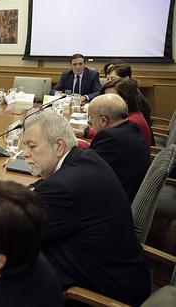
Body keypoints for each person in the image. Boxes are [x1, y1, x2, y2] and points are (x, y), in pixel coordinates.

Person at [22, 112, 150, 306]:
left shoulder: (63, 187)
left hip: (105, 291)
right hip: (124, 272)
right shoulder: (85, 157)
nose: (25, 153)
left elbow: (14, 232)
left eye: (31, 146)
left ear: (58, 146)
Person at [87, 94, 150, 203]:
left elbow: (86, 172)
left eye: (90, 118)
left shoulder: (110, 137)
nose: (89, 122)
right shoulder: (131, 127)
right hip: (128, 192)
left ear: (103, 120)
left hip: (113, 202)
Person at [80, 78, 152, 150]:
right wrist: (84, 132)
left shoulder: (132, 122)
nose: (105, 101)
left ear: (125, 100)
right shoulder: (129, 116)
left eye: (111, 97)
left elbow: (105, 143)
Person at [105, 62, 154, 144]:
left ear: (126, 79)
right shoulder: (131, 94)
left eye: (113, 79)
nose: (109, 83)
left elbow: (117, 130)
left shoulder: (134, 100)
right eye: (108, 80)